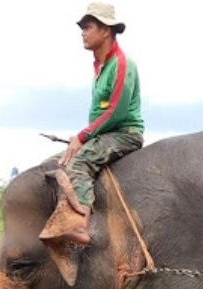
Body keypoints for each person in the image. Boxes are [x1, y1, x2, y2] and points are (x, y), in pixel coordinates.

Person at [41, 2, 144, 245]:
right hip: (103, 134)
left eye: (87, 27)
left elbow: (116, 112)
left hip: (124, 133)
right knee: (54, 164)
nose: (82, 32)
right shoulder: (100, 65)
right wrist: (82, 138)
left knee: (78, 164)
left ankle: (79, 226)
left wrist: (83, 137)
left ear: (105, 30)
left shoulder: (121, 63)